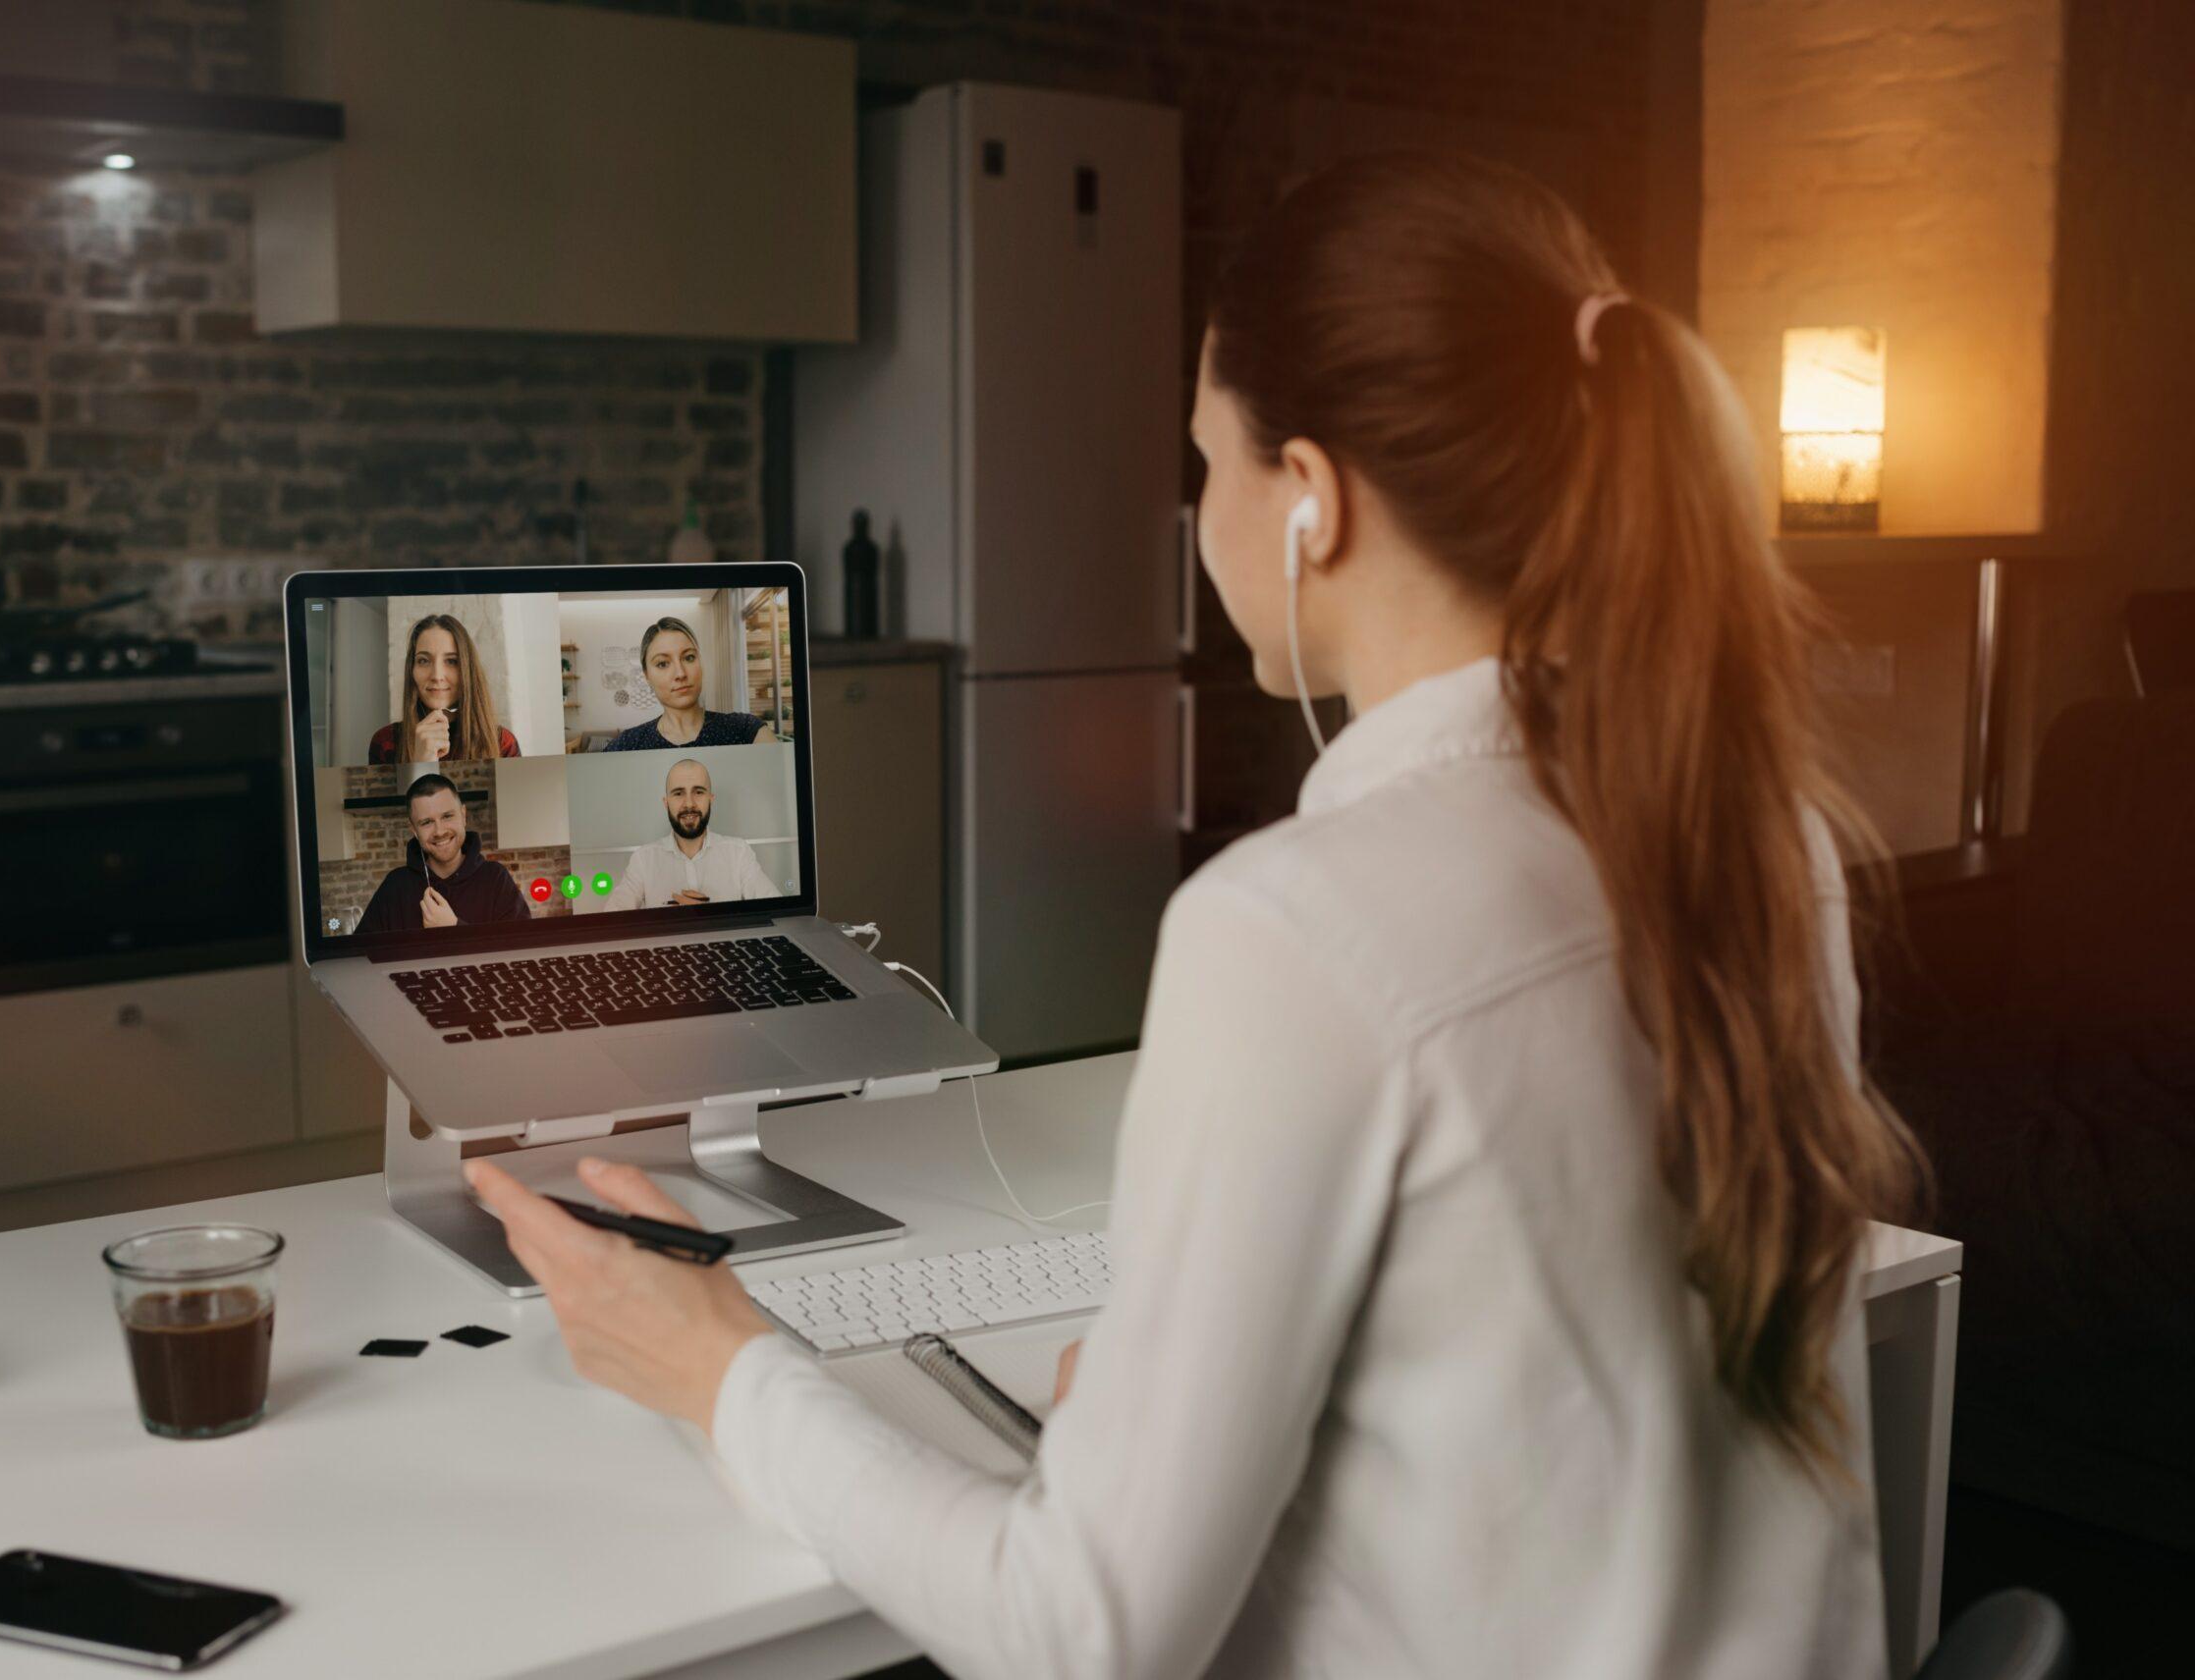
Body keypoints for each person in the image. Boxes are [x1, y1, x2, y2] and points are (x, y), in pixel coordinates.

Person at [464, 152, 1924, 1679]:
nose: (1198, 505)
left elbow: (1081, 1634)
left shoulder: (1297, 926)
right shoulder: (1768, 838)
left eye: (1209, 457)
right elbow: (1565, 1382)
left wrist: (721, 1370)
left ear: (1313, 500)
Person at [597, 758, 782, 909]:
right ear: (666, 802)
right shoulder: (643, 859)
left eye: (698, 792)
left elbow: (777, 911)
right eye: (678, 793)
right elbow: (611, 920)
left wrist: (713, 918)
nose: (689, 804)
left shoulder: (739, 853)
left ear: (711, 799)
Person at [356, 774, 526, 935]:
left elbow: (519, 946)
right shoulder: (395, 886)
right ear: (414, 830)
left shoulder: (495, 878)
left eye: (447, 816)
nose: (439, 831)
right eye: (427, 822)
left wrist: (454, 928)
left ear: (463, 816)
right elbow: (359, 954)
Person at [599, 617, 778, 751]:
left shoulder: (745, 730)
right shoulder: (628, 745)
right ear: (647, 675)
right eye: (662, 663)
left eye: (689, 657)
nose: (680, 673)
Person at [367, 614, 521, 764]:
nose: (437, 675)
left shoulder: (502, 743)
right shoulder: (385, 743)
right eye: (424, 660)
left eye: (451, 661)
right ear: (411, 671)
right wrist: (421, 764)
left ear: (467, 671)